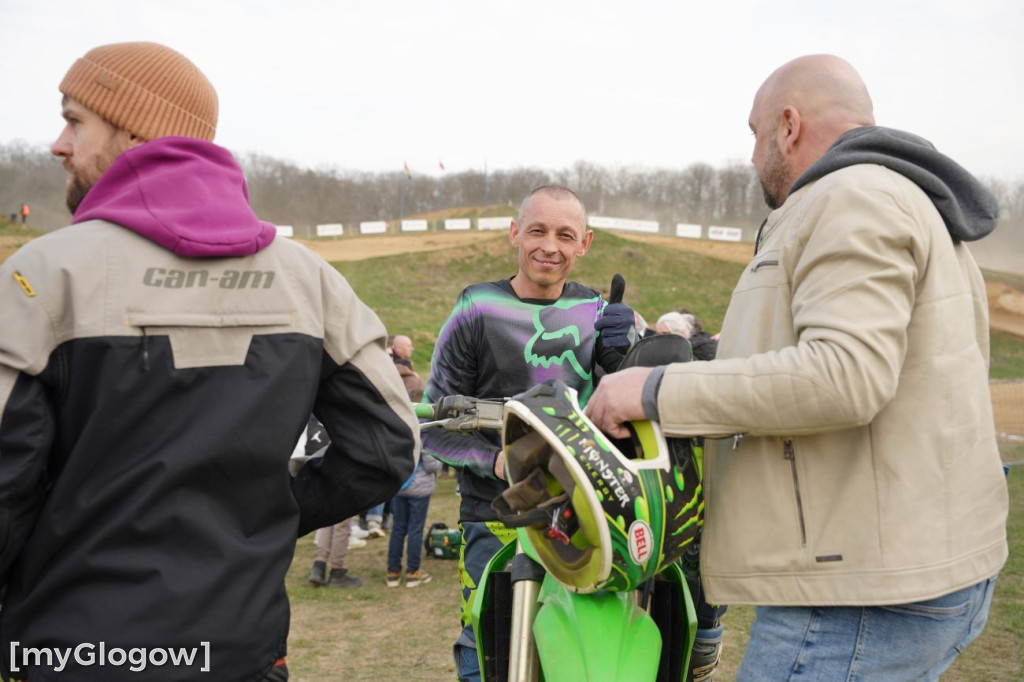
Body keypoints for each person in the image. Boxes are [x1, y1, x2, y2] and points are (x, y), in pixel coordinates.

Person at [0, 42, 419, 682]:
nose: (59, 144)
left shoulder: (42, 276)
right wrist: (262, 516)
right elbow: (388, 446)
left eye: (75, 120)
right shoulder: (311, 281)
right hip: (242, 653)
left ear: (135, 129)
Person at [585, 54, 1008, 680]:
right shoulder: (894, 198)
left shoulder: (852, 197)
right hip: (893, 567)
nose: (754, 156)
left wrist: (651, 391)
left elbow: (844, 375)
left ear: (788, 125)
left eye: (755, 135)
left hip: (859, 593)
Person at [421, 184, 636, 681]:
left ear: (584, 244)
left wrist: (626, 357)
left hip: (582, 518)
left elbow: (626, 415)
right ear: (515, 232)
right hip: (492, 518)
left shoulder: (599, 313)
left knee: (575, 649)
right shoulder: (476, 307)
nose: (549, 246)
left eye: (565, 235)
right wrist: (497, 462)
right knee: (489, 645)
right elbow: (433, 424)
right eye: (537, 230)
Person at [386, 451, 442, 588]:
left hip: (399, 486)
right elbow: (431, 466)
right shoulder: (423, 435)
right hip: (419, 489)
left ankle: (393, 572)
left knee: (397, 529)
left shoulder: (397, 430)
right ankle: (413, 571)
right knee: (415, 530)